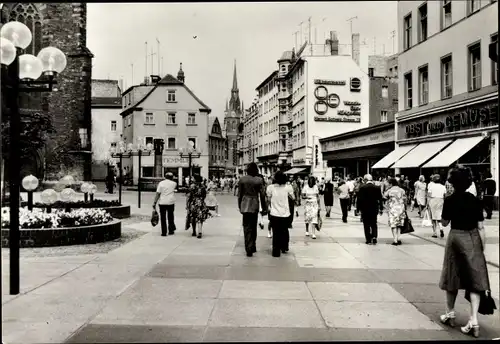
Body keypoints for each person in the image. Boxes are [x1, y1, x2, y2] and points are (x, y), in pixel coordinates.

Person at [439, 166, 491, 338]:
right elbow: (481, 227)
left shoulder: (450, 200)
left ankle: (450, 313)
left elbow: (445, 223)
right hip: (473, 238)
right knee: (475, 279)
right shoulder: (475, 200)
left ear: (453, 183)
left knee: (452, 275)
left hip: (456, 237)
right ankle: (474, 320)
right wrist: (482, 248)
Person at [238, 163, 267, 257]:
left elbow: (239, 194)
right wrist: (264, 207)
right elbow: (262, 195)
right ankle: (253, 245)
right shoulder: (259, 180)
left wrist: (240, 205)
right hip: (254, 204)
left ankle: (248, 247)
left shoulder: (242, 179)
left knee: (246, 227)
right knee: (253, 227)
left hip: (245, 204)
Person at [266, 171, 295, 257]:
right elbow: (293, 198)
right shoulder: (288, 187)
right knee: (284, 230)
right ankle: (284, 247)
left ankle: (276, 252)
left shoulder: (270, 187)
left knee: (275, 232)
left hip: (274, 213)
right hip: (285, 213)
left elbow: (268, 199)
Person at [356, 174, 384, 245]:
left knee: (366, 224)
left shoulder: (362, 187)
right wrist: (381, 208)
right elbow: (380, 199)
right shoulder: (377, 187)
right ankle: (374, 236)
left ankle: (368, 239)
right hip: (374, 208)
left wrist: (358, 209)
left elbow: (359, 199)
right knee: (374, 223)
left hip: (365, 209)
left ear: (365, 180)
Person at [186, 174, 211, 239]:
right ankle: (200, 232)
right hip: (201, 203)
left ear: (195, 179)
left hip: (193, 203)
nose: (192, 179)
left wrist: (187, 205)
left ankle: (194, 231)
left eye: (193, 178)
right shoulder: (203, 187)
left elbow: (188, 196)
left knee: (193, 217)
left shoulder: (192, 186)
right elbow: (204, 196)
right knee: (200, 218)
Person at [152, 172, 177, 237]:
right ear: (172, 177)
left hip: (162, 202)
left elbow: (158, 194)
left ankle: (164, 232)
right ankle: (171, 230)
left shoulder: (161, 183)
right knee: (170, 216)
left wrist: (154, 202)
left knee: (163, 218)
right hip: (171, 202)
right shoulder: (174, 183)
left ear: (165, 177)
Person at [384, 178, 407, 246]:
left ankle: (395, 240)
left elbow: (384, 196)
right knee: (399, 224)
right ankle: (399, 238)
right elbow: (405, 199)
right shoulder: (401, 190)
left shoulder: (389, 190)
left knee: (393, 225)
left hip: (393, 209)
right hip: (400, 209)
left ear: (391, 183)